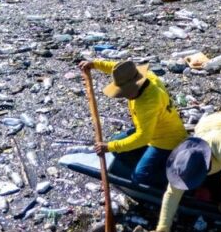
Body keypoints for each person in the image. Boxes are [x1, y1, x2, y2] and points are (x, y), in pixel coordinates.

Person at [138, 111, 221, 232]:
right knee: (213, 190)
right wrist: (161, 229)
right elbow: (172, 193)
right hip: (207, 124)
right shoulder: (183, 159)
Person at [79, 59, 187, 188]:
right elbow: (119, 68)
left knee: (140, 176)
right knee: (116, 142)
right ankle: (143, 156)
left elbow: (143, 137)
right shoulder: (148, 76)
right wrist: (95, 64)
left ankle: (177, 177)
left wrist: (109, 147)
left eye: (126, 91)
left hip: (166, 141)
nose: (124, 96)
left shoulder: (147, 103)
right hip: (151, 130)